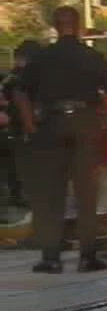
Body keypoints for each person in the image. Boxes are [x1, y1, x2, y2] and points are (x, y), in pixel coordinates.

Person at [13, 5, 107, 274]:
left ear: (55, 27)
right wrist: (101, 117)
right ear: (80, 26)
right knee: (86, 194)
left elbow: (20, 92)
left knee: (51, 195)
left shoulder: (41, 57)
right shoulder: (92, 56)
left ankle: (51, 257)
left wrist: (30, 125)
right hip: (85, 124)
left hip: (50, 125)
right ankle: (87, 257)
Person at [2, 40, 43, 216]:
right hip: (21, 124)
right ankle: (21, 193)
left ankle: (19, 193)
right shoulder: (20, 77)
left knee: (17, 161)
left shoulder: (15, 77)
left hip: (17, 124)